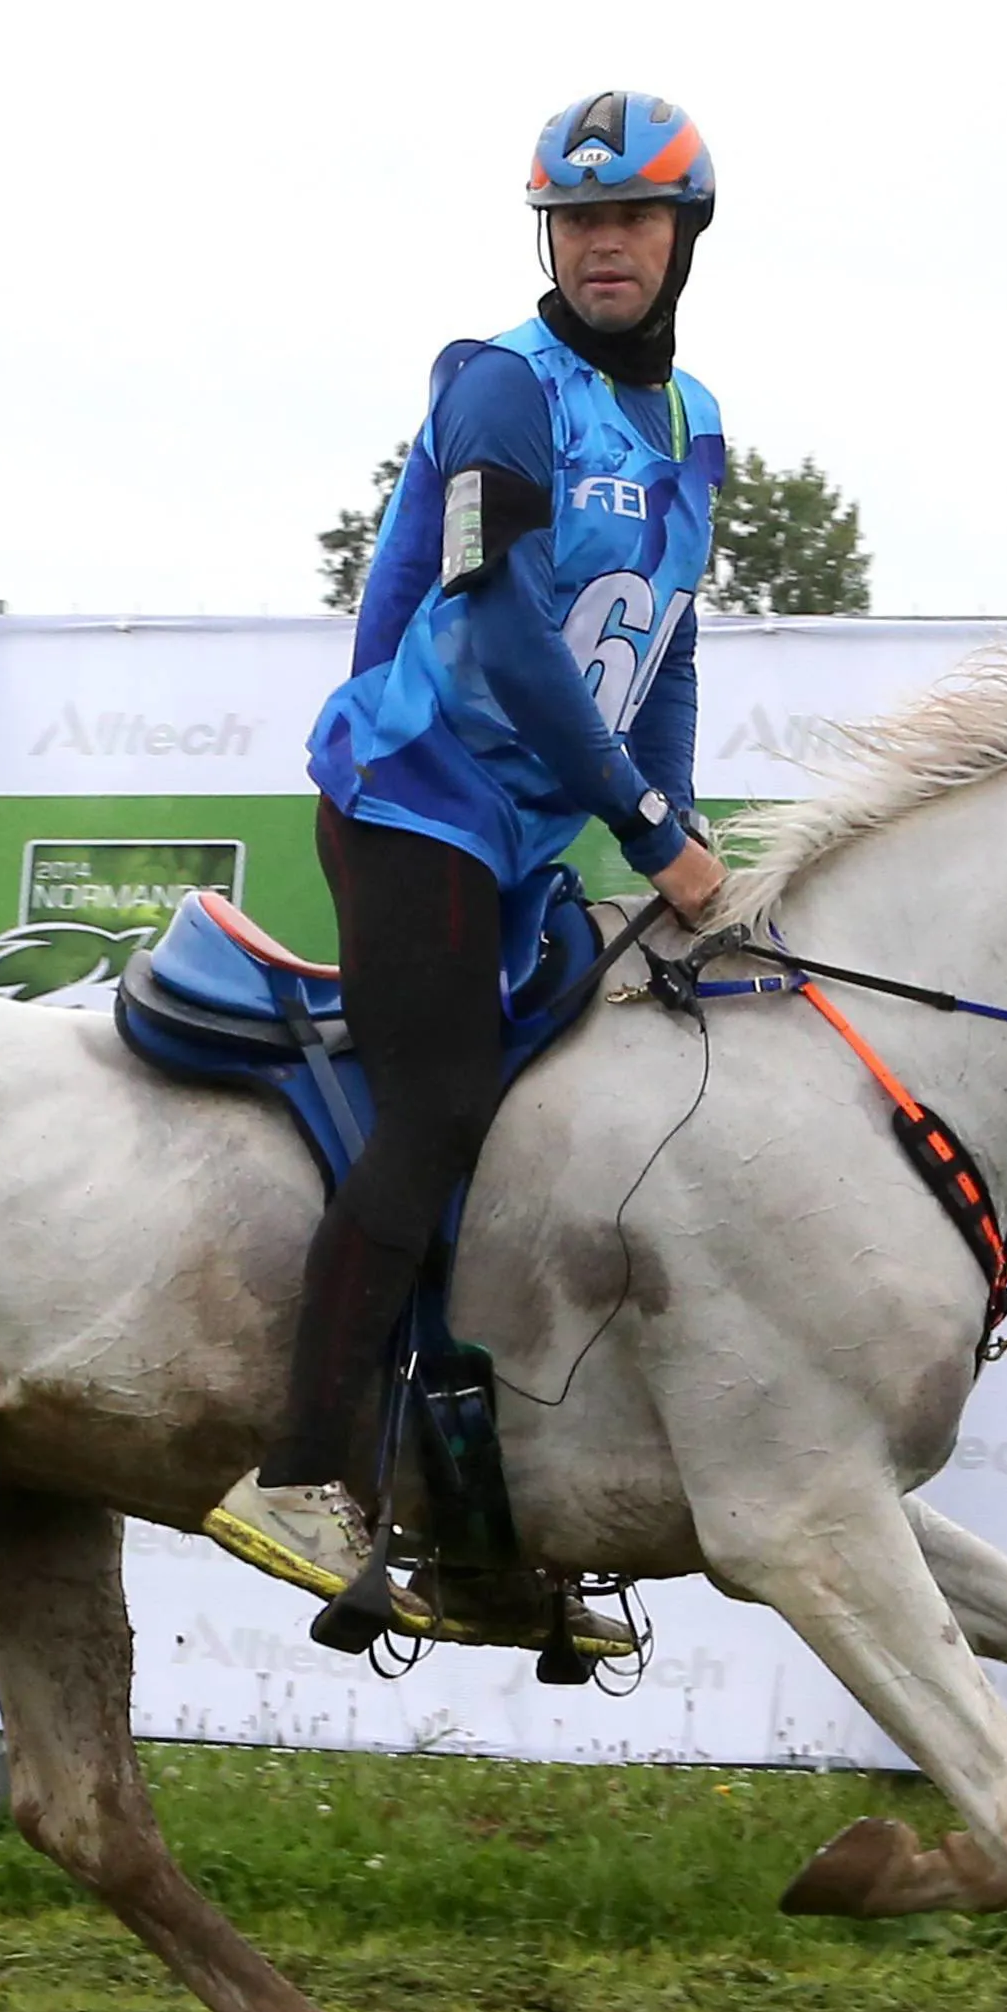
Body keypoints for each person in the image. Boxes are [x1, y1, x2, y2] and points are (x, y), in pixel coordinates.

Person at [207, 94, 733, 1613]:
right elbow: (502, 625)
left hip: (532, 821)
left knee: (558, 1122)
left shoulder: (696, 427)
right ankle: (301, 1472)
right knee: (436, 1108)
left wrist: (674, 818)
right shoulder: (501, 382)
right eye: (576, 222)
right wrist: (639, 822)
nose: (603, 243)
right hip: (414, 790)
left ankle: (481, 1505)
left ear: (685, 234)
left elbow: (666, 647)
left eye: (632, 216)